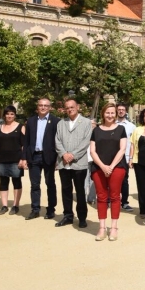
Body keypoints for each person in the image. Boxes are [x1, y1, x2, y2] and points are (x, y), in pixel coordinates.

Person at [90, 104, 128, 241]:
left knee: (115, 196)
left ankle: (113, 228)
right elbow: (92, 151)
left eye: (113, 113)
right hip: (99, 167)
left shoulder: (121, 129)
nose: (110, 115)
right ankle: (101, 228)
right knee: (101, 197)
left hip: (117, 167)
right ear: (103, 113)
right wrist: (102, 166)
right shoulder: (96, 131)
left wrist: (111, 166)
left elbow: (122, 149)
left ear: (116, 114)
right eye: (108, 113)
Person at [54, 98, 92, 228]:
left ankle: (82, 217)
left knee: (80, 191)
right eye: (67, 108)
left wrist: (73, 155)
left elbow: (86, 141)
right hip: (63, 162)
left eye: (72, 107)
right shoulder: (61, 123)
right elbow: (57, 140)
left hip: (79, 163)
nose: (69, 109)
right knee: (66, 190)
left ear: (78, 107)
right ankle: (68, 216)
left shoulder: (86, 123)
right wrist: (64, 154)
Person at [23, 98, 59, 220]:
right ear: (37, 107)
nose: (43, 107)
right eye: (41, 105)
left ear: (50, 107)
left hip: (49, 157)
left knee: (50, 184)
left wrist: (57, 159)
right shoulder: (31, 121)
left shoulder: (55, 121)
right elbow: (26, 141)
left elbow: (58, 142)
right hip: (34, 156)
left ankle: (51, 209)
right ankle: (35, 209)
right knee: (34, 185)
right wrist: (24, 157)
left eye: (46, 105)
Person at [0, 105, 26, 215]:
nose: (9, 116)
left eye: (12, 114)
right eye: (7, 113)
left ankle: (15, 205)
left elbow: (24, 145)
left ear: (15, 115)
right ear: (4, 115)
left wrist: (23, 158)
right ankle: (4, 205)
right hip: (2, 160)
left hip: (16, 160)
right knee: (3, 182)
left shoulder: (21, 127)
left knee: (16, 181)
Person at [115, 103, 135, 212]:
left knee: (124, 180)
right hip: (112, 157)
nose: (121, 111)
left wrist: (131, 158)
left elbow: (133, 143)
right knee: (112, 180)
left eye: (123, 109)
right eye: (119, 109)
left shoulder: (131, 126)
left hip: (126, 157)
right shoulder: (112, 124)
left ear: (126, 111)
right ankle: (113, 200)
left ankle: (125, 202)